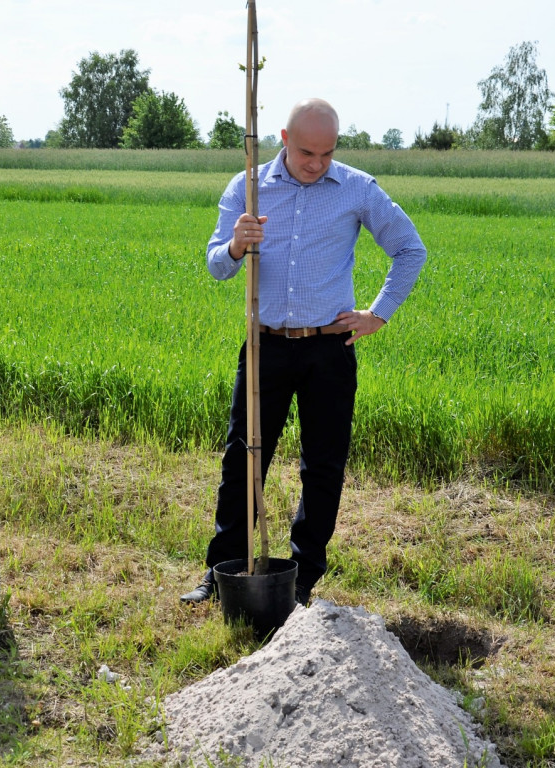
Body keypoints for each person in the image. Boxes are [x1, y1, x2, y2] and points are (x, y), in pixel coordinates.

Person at [181, 99, 427, 607]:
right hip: (265, 346)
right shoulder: (248, 187)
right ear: (284, 139)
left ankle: (301, 579)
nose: (317, 163)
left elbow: (410, 249)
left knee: (323, 466)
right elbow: (216, 266)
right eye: (307, 152)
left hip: (329, 350)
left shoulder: (357, 188)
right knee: (243, 459)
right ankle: (222, 571)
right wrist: (235, 245)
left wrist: (378, 314)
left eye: (327, 153)